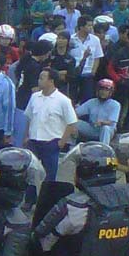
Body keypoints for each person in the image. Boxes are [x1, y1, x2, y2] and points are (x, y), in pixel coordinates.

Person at [22, 68, 77, 207]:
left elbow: (71, 123)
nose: (39, 80)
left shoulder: (63, 100)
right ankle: (29, 200)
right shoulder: (34, 97)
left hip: (51, 142)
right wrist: (26, 136)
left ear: (51, 81)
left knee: (49, 176)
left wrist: (61, 142)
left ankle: (46, 203)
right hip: (34, 141)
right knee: (31, 173)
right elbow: (29, 117)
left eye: (42, 77)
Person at [74, 78, 120, 145]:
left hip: (107, 130)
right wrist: (72, 124)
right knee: (72, 122)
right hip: (92, 128)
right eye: (101, 89)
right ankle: (70, 147)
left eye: (106, 90)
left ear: (111, 92)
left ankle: (104, 150)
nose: (103, 92)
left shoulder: (115, 104)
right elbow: (75, 113)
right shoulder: (92, 102)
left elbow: (111, 122)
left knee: (105, 128)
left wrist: (102, 122)